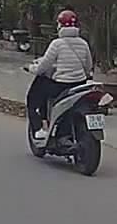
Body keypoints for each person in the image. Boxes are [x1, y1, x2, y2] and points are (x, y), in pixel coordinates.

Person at [27, 9, 94, 141]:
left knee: (33, 97)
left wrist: (31, 68)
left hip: (60, 85)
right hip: (80, 84)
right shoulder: (83, 43)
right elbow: (88, 66)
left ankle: (39, 129)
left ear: (59, 26)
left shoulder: (57, 44)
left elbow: (43, 67)